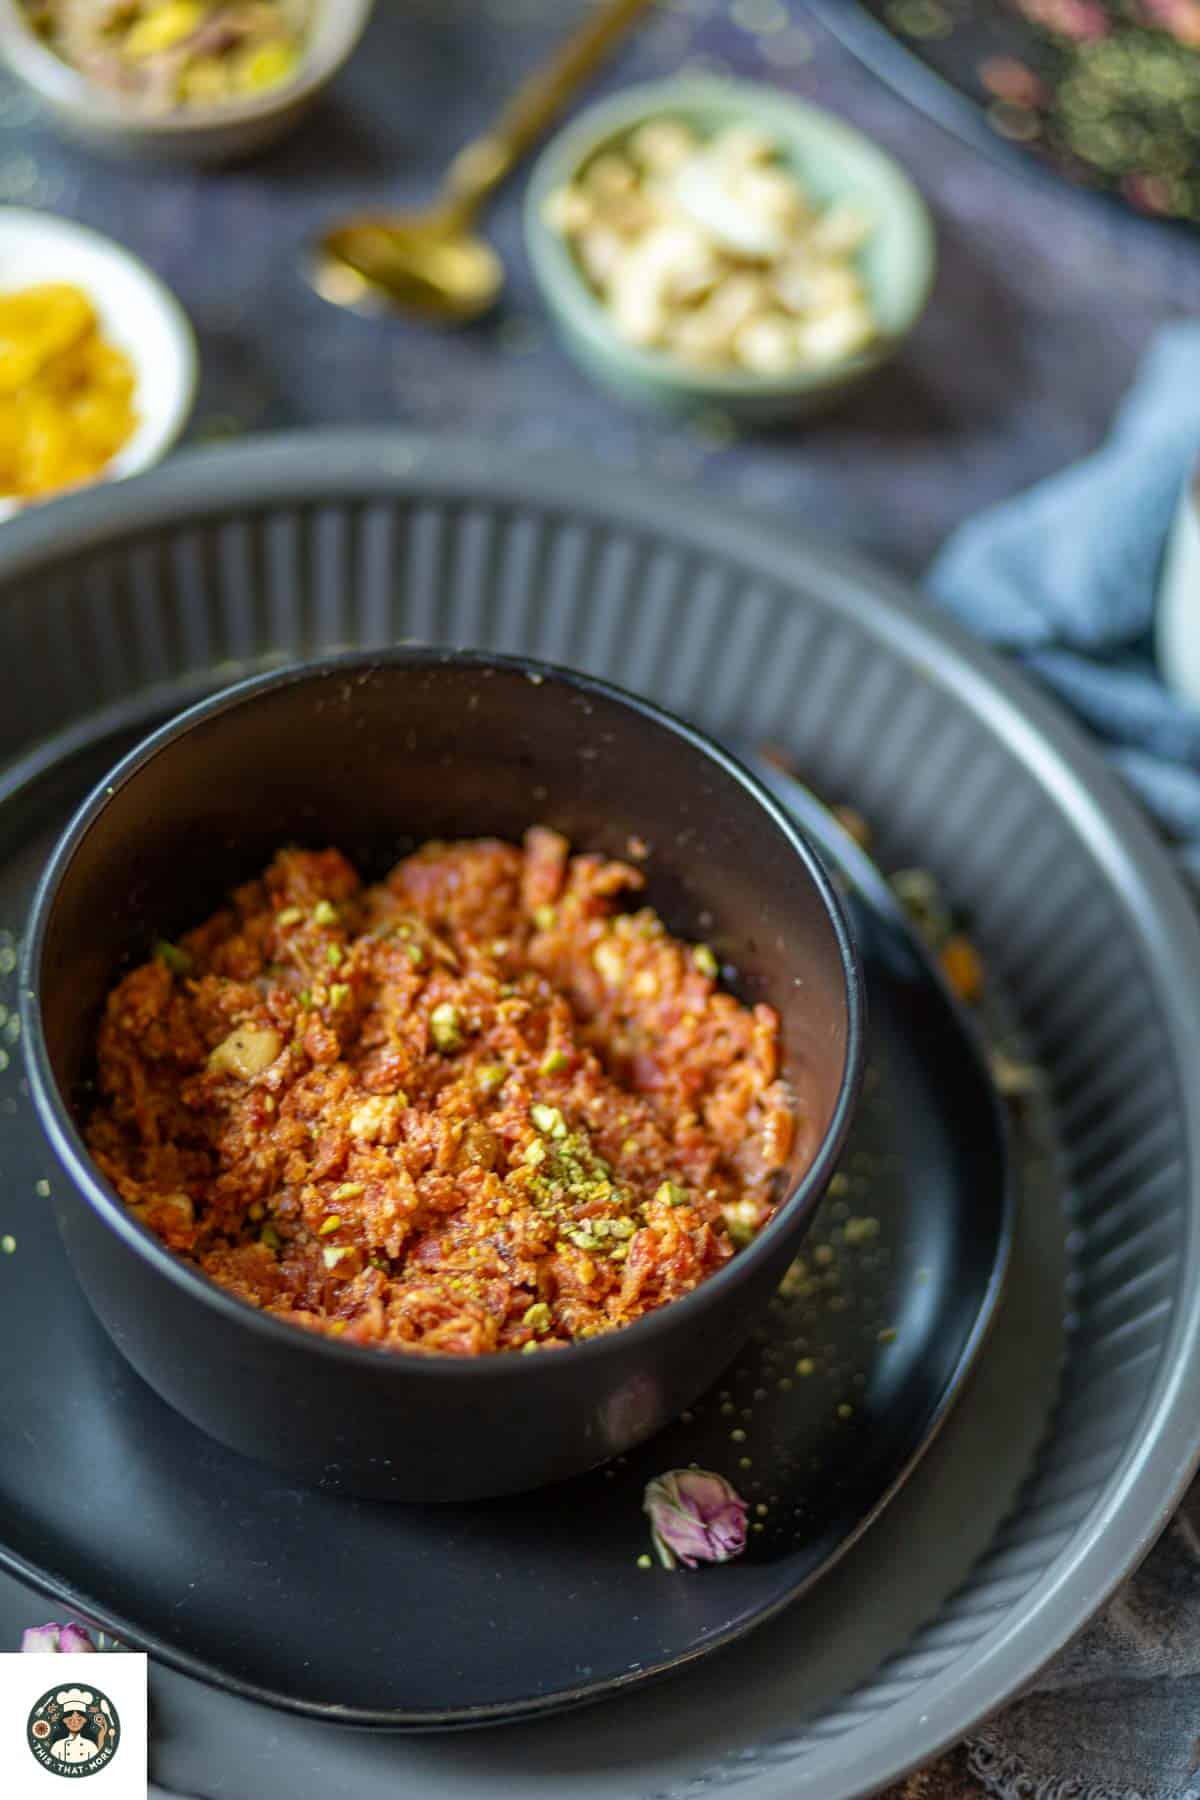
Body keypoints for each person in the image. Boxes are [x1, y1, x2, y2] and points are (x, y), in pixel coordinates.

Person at [50, 1689, 101, 1764]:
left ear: (85, 1721)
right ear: (64, 1721)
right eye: (70, 1719)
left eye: (79, 1720)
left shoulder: (90, 1745)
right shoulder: (58, 1745)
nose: (75, 1723)